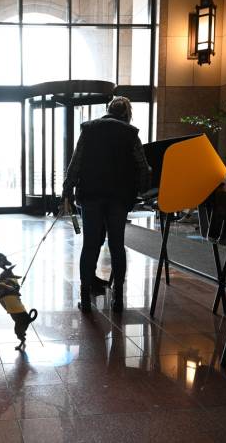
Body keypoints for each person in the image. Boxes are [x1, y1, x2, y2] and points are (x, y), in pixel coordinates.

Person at [62, 96, 151, 313]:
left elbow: (76, 162)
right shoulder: (131, 134)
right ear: (126, 114)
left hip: (91, 196)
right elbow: (143, 167)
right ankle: (118, 297)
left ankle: (85, 296)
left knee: (90, 245)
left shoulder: (89, 130)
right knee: (117, 245)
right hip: (119, 198)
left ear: (108, 109)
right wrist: (142, 190)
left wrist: (67, 190)